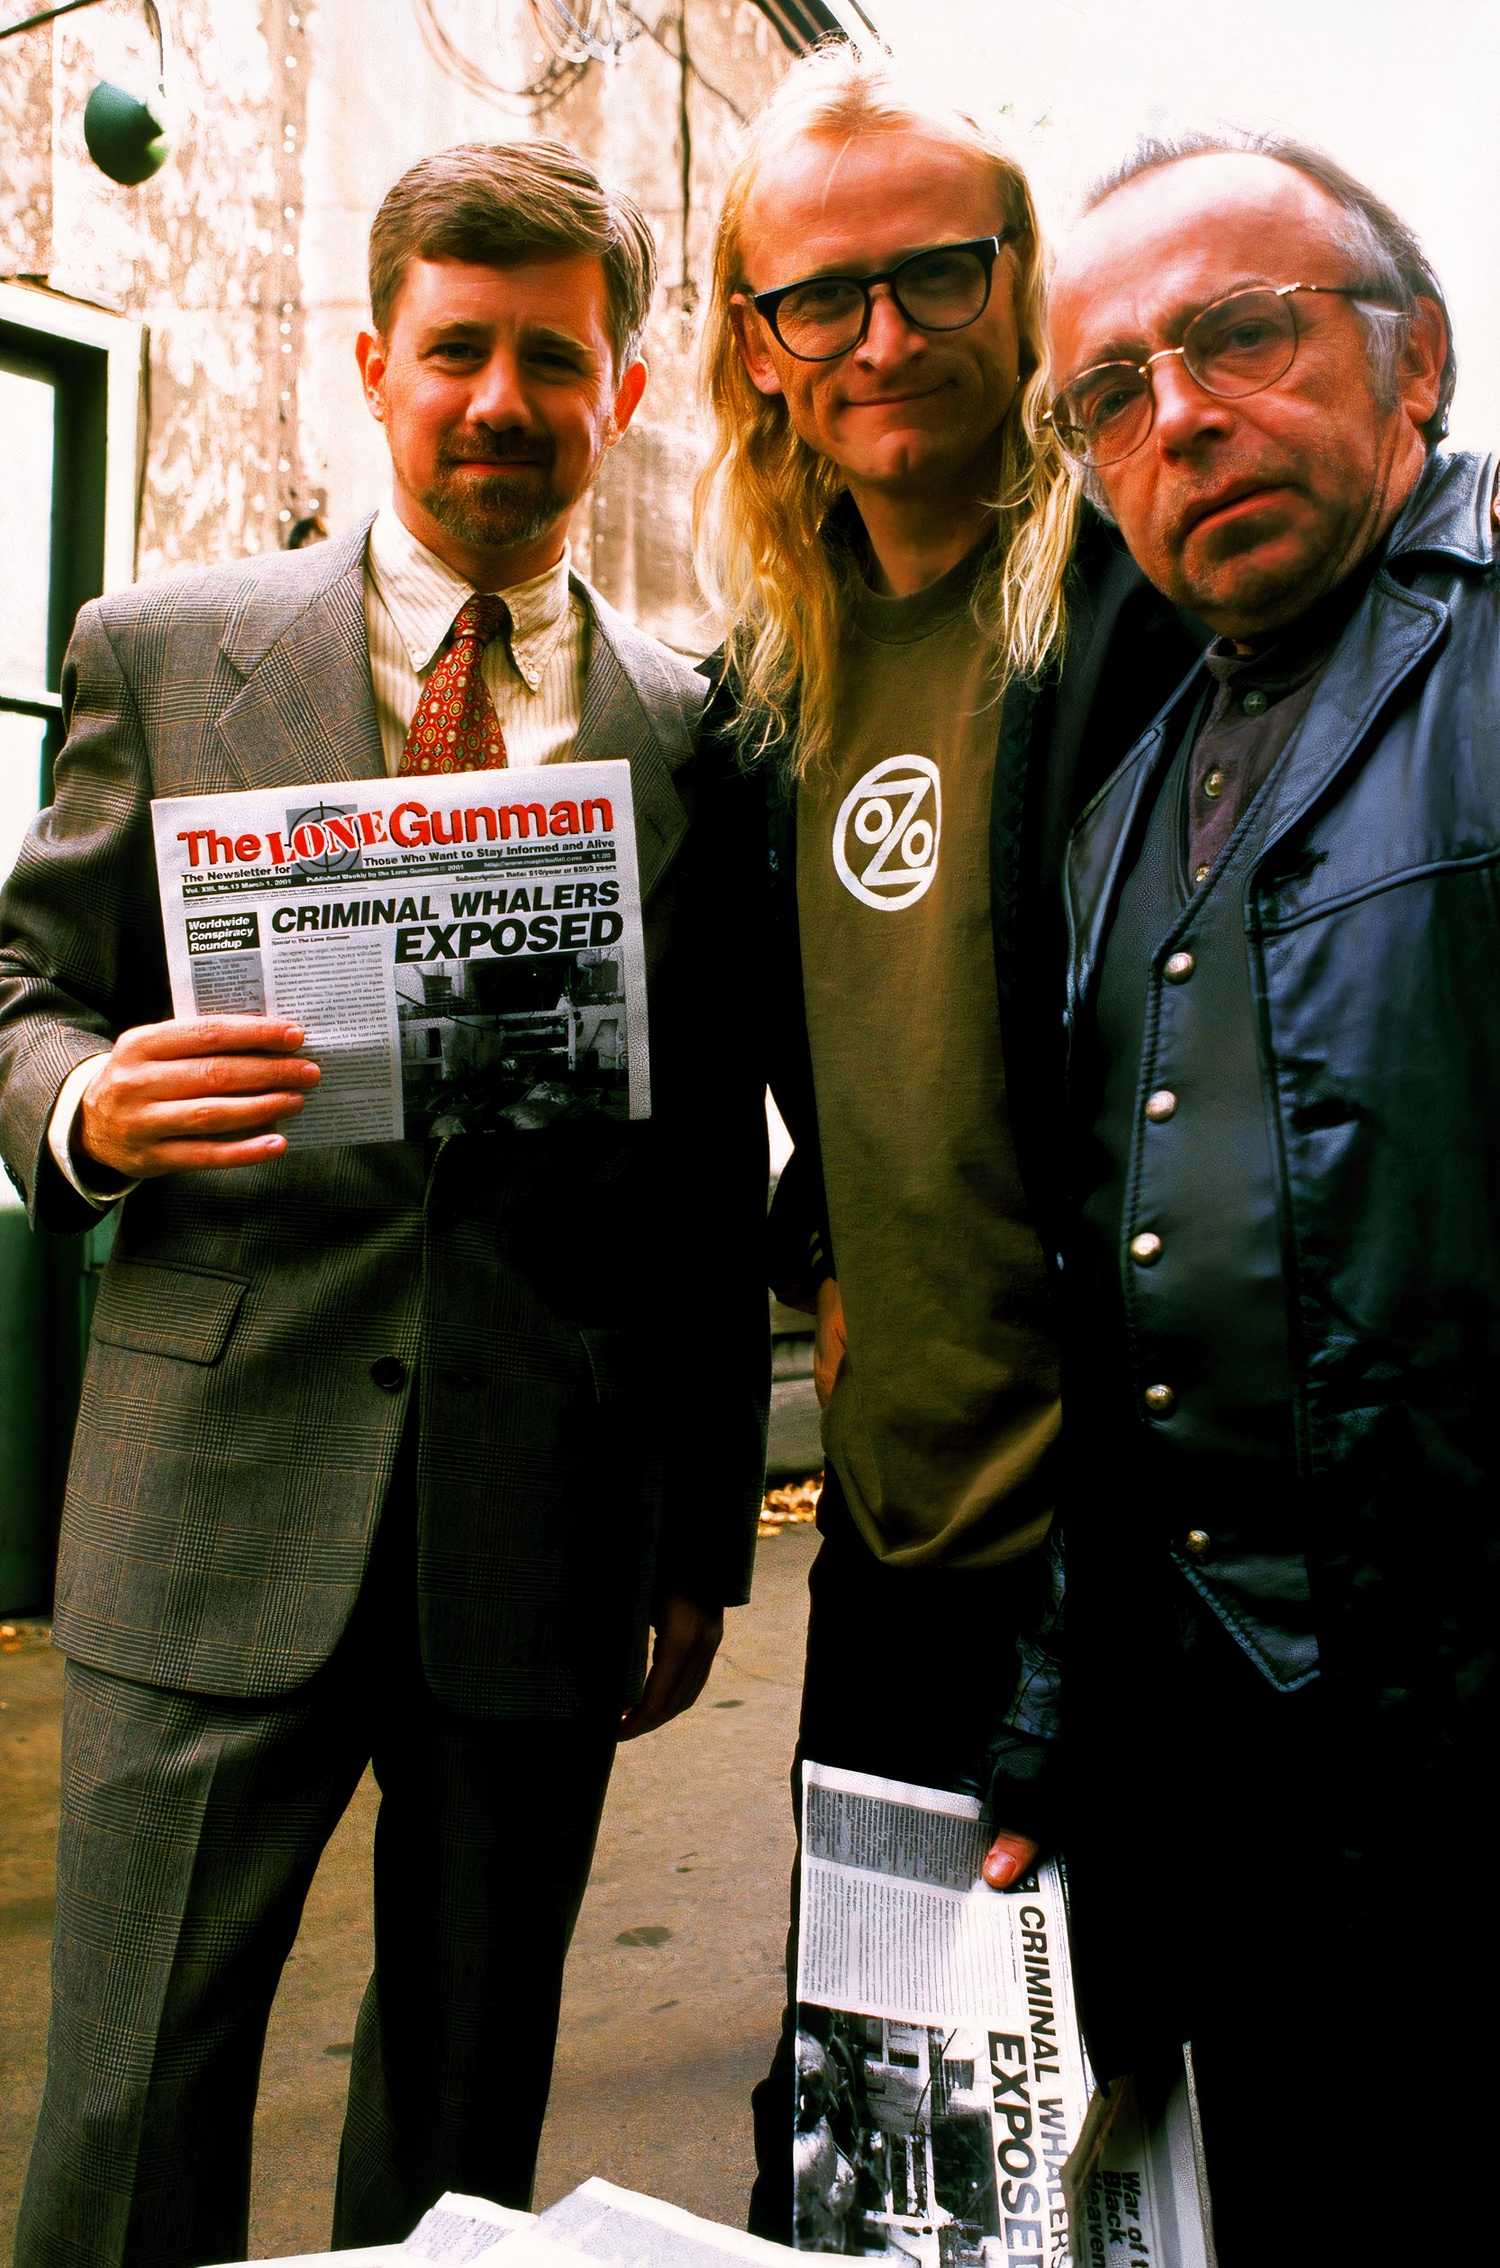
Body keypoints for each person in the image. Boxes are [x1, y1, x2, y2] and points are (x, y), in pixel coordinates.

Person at [0, 139, 767, 2268]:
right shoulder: (162, 651)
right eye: (458, 351)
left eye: (555, 359)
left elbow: (705, 1168)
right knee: (128, 2104)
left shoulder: (694, 734)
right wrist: (85, 1105)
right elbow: (18, 989)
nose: (502, 401)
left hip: (532, 1525)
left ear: (619, 394)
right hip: (204, 1493)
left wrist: (693, 1531)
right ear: (372, 361)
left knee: (461, 2141)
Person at [692, 48, 1199, 2239]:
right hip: (899, 1554)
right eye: (823, 297)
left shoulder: (1152, 623)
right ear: (760, 352)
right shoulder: (764, 685)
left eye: (934, 274)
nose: (882, 334)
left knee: (1148, 2142)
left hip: (1154, 1557)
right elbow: (844, 1056)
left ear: (1026, 288)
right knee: (896, 2154)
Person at [981, 129, 1496, 2258]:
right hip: (1233, 1783)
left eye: (1243, 335)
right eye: (1110, 392)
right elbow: (1132, 1310)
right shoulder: (1122, 805)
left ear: (1417, 361)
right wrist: (1047, 1718)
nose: (1178, 414)